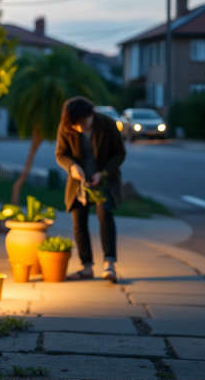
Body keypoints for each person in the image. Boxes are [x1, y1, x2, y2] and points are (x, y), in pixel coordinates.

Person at [55, 97, 126, 282]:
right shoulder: (66, 127)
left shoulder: (107, 124)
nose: (80, 128)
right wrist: (71, 167)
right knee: (79, 223)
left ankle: (109, 265)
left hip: (104, 181)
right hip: (78, 184)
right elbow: (60, 154)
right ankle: (86, 267)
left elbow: (120, 153)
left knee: (106, 217)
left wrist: (103, 174)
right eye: (76, 125)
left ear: (90, 115)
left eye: (82, 123)